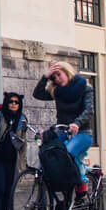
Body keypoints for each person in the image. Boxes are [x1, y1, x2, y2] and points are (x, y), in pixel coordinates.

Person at [32, 61, 94, 195]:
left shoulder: (84, 87)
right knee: (48, 150)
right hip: (63, 130)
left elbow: (89, 110)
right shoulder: (57, 91)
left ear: (67, 72)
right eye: (54, 78)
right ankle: (55, 186)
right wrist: (45, 76)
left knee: (67, 155)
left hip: (82, 132)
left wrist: (77, 123)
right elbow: (37, 94)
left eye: (59, 75)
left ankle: (81, 186)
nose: (57, 79)